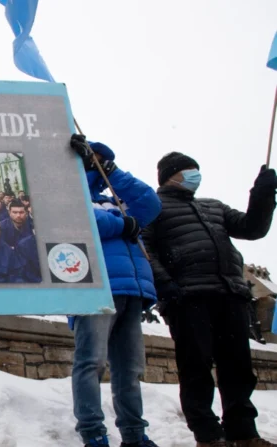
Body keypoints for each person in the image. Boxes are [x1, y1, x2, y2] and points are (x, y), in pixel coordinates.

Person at [142, 152, 277, 447]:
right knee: (196, 369)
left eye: (197, 170)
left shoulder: (213, 206)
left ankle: (243, 432)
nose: (195, 175)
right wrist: (167, 287)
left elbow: (252, 228)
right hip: (187, 299)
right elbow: (144, 248)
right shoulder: (152, 207)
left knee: (238, 368)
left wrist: (263, 194)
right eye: (189, 170)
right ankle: (208, 435)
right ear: (170, 175)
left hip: (230, 294)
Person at [68, 135, 162, 447]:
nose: (93, 163)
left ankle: (135, 435)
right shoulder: (69, 195)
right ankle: (93, 433)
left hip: (132, 291)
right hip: (92, 287)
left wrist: (113, 170)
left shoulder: (114, 200)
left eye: (99, 159)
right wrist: (123, 224)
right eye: (89, 158)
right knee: (91, 362)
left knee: (129, 370)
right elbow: (84, 220)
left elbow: (150, 203)